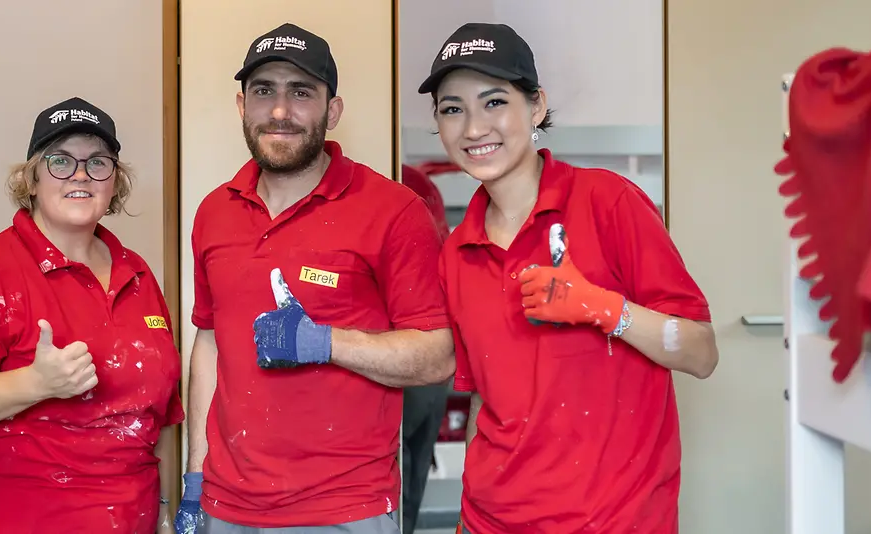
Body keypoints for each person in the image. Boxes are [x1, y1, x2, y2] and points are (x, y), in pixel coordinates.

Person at [419, 23, 720, 534]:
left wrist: (603, 308)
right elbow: (482, 402)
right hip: (490, 521)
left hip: (614, 520)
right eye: (453, 109)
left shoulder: (609, 204)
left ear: (535, 106)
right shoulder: (456, 253)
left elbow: (701, 352)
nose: (473, 128)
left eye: (494, 102)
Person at [175, 22, 456, 534]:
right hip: (224, 508)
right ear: (242, 106)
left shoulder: (392, 211)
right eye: (264, 91)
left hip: (343, 509)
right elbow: (211, 341)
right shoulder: (214, 212)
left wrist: (325, 342)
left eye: (300, 92)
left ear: (333, 110)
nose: (280, 111)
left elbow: (438, 355)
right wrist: (195, 479)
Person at [0, 97, 184, 534]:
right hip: (16, 517)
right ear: (32, 179)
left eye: (98, 162)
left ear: (115, 183)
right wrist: (35, 383)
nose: (81, 174)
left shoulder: (137, 274)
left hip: (130, 516)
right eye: (61, 161)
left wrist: (167, 506)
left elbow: (164, 414)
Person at [397, 164, 451, 534]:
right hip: (435, 357)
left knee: (401, 469)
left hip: (405, 354)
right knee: (412, 471)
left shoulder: (409, 184)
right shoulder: (419, 184)